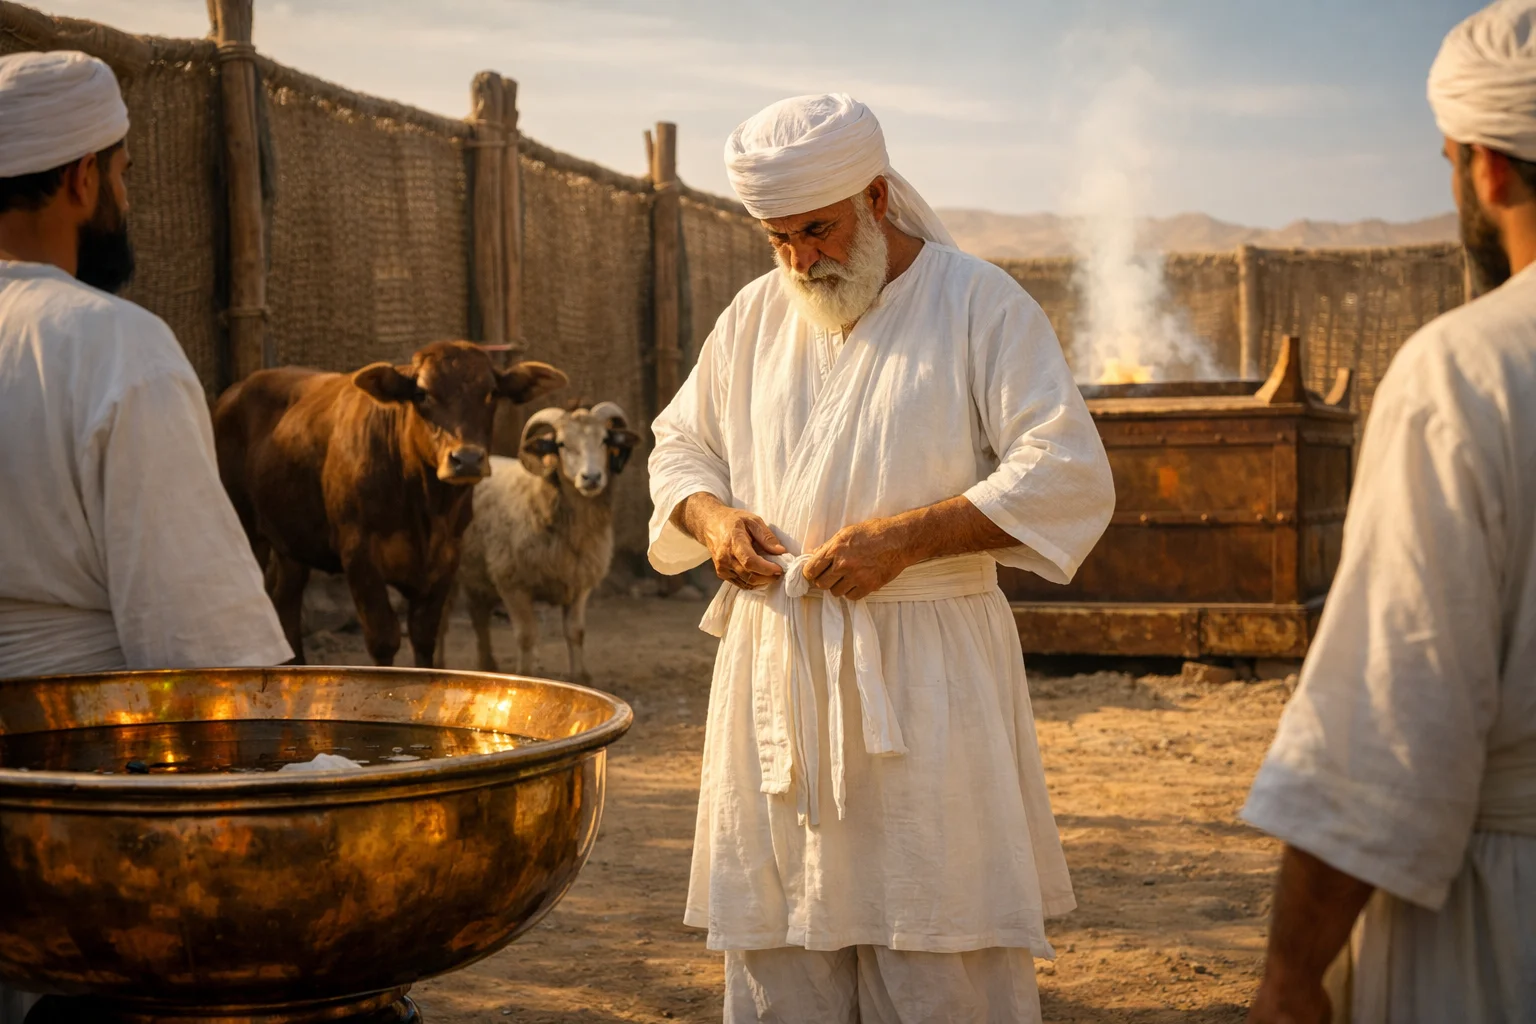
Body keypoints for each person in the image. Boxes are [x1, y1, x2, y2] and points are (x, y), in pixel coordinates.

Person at [647, 93, 1114, 1023]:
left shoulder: (979, 303)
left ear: (874, 197)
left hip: (928, 675)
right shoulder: (752, 317)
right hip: (777, 663)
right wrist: (712, 522)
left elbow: (1064, 470)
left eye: (816, 232)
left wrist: (906, 541)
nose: (801, 261)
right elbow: (678, 447)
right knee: (783, 946)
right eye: (778, 240)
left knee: (936, 939)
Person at [1242, 3, 1536, 1021]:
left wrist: (1290, 975)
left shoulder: (1470, 373)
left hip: (1500, 922)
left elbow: (1385, 727)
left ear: (1485, 167)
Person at [0, 46, 292, 1020]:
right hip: (65, 817)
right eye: (122, 174)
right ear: (84, 178)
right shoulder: (108, 342)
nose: (123, 194)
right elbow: (206, 645)